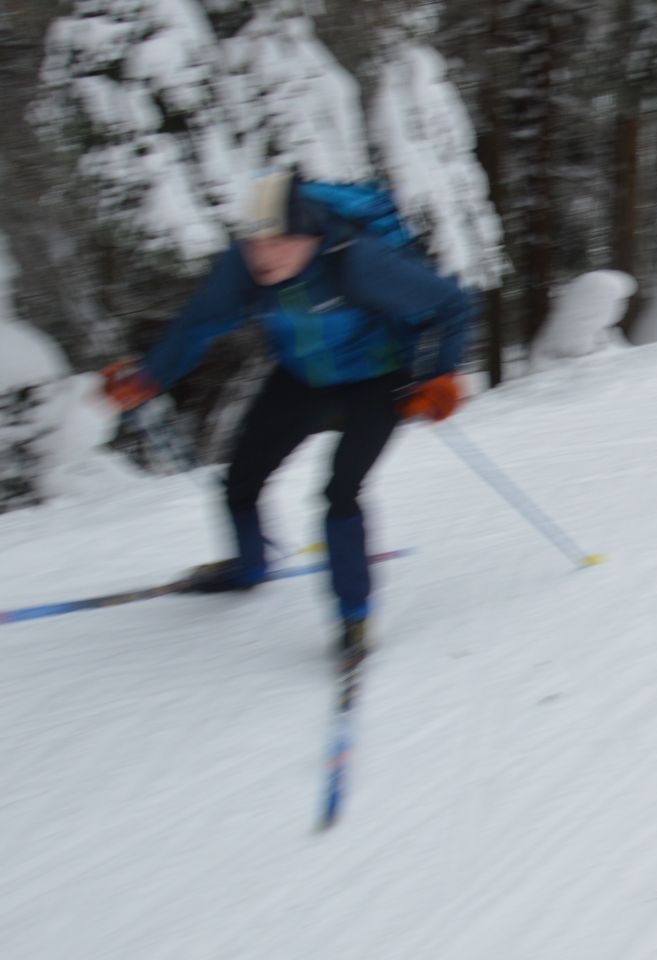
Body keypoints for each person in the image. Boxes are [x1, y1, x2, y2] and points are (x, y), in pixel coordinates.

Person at [102, 169, 474, 656]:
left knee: (340, 492)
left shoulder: (357, 262)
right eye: (253, 241)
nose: (263, 254)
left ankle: (354, 618)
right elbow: (196, 324)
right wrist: (149, 377)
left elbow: (452, 304)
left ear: (311, 237)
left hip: (377, 379)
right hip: (302, 379)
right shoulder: (242, 268)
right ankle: (248, 567)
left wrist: (440, 374)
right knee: (241, 479)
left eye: (279, 242)